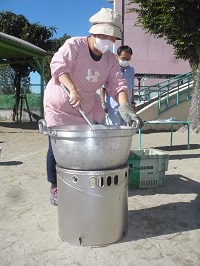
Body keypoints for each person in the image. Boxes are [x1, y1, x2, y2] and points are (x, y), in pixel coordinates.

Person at [43, 8, 143, 206]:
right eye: (105, 35)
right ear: (94, 31)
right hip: (62, 100)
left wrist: (125, 106)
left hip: (87, 104)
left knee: (92, 141)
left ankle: (84, 180)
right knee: (58, 146)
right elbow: (58, 66)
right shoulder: (75, 45)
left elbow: (117, 84)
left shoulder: (110, 60)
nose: (108, 40)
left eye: (113, 38)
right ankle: (55, 185)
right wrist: (72, 89)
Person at [100, 45, 136, 125]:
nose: (125, 60)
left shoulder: (131, 69)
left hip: (127, 105)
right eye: (123, 58)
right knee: (113, 127)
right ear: (117, 56)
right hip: (113, 106)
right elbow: (103, 88)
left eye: (128, 59)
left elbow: (131, 87)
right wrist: (103, 103)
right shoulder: (110, 68)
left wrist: (133, 102)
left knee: (125, 127)